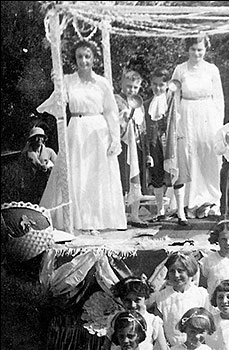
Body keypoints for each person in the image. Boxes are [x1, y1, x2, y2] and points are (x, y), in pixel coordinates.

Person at [38, 39, 126, 233]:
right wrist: (57, 85)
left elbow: (111, 112)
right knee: (78, 174)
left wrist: (115, 138)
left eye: (87, 56)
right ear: (75, 59)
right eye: (80, 57)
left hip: (97, 131)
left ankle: (96, 220)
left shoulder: (102, 83)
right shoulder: (68, 80)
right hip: (77, 130)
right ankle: (78, 220)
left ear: (93, 58)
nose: (84, 60)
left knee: (96, 175)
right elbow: (58, 107)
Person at [171, 34, 225, 222]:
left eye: (200, 49)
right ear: (188, 49)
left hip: (208, 115)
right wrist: (175, 122)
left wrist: (219, 123)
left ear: (205, 49)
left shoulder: (212, 70)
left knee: (208, 155)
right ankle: (189, 202)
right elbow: (174, 98)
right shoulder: (180, 70)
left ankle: (210, 200)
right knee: (188, 154)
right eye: (193, 49)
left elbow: (219, 98)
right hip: (186, 115)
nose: (196, 53)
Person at [149, 251, 211, 347]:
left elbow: (207, 324)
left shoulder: (201, 294)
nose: (176, 275)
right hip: (171, 348)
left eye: (180, 271)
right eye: (172, 271)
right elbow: (159, 327)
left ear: (189, 271)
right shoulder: (161, 297)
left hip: (197, 347)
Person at [115, 69, 150, 228]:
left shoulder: (139, 104)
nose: (132, 90)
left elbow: (143, 128)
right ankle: (120, 214)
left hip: (137, 146)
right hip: (123, 145)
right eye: (128, 86)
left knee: (136, 180)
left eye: (135, 87)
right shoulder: (116, 100)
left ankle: (134, 214)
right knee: (123, 179)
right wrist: (124, 120)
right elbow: (114, 124)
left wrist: (147, 152)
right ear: (121, 84)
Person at [110, 275, 169, 350]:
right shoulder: (115, 319)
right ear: (121, 299)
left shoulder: (153, 321)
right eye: (127, 300)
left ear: (145, 298)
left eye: (137, 300)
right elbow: (107, 348)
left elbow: (163, 349)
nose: (132, 305)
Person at [144, 68, 173, 222]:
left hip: (169, 142)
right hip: (154, 143)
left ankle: (178, 208)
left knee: (173, 173)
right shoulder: (148, 103)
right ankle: (160, 210)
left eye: (161, 85)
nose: (158, 88)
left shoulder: (171, 102)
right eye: (154, 84)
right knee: (157, 174)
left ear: (167, 85)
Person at [21, 125, 57, 204]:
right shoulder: (27, 154)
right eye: (36, 137)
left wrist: (49, 168)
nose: (39, 140)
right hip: (31, 186)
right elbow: (22, 170)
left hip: (46, 185)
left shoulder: (49, 152)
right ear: (31, 139)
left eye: (41, 137)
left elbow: (58, 166)